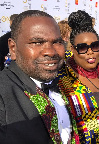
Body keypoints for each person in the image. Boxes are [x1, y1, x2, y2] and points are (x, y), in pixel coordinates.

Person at [0, 10, 71, 144]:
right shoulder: (3, 94)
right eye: (37, 42)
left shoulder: (63, 84)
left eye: (57, 42)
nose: (50, 51)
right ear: (13, 48)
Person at [57, 10, 99, 143]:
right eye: (82, 48)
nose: (90, 52)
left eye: (95, 46)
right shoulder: (62, 82)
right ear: (73, 49)